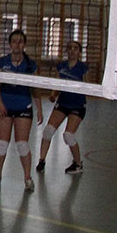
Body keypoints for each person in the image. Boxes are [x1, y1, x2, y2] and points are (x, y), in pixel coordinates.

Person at [0, 29, 42, 192]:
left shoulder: (31, 65)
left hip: (23, 106)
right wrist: (0, 103)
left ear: (24, 44)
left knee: (22, 144)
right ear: (9, 44)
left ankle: (27, 178)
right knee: (2, 143)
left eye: (20, 42)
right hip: (4, 107)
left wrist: (39, 108)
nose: (17, 44)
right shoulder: (2, 63)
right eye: (14, 41)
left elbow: (36, 88)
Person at [37, 40, 87, 175]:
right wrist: (53, 94)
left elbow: (89, 86)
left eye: (75, 48)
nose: (72, 50)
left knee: (68, 135)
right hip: (63, 103)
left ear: (79, 52)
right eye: (70, 48)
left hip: (78, 105)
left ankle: (78, 164)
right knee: (48, 131)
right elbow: (58, 83)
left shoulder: (83, 68)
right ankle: (42, 161)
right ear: (67, 51)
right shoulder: (62, 66)